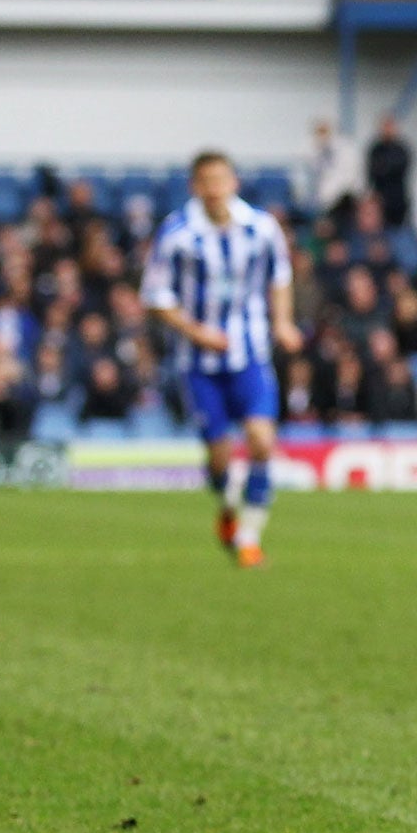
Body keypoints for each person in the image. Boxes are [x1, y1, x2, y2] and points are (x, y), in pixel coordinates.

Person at [141, 152, 301, 569]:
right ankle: (227, 504)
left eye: (221, 179)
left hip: (251, 355)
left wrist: (282, 322)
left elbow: (280, 278)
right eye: (206, 181)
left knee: (262, 441)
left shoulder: (261, 228)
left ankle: (249, 537)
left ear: (233, 182)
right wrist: (198, 333)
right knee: (219, 459)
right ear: (195, 186)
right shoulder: (177, 233)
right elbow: (156, 298)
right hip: (198, 364)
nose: (214, 188)